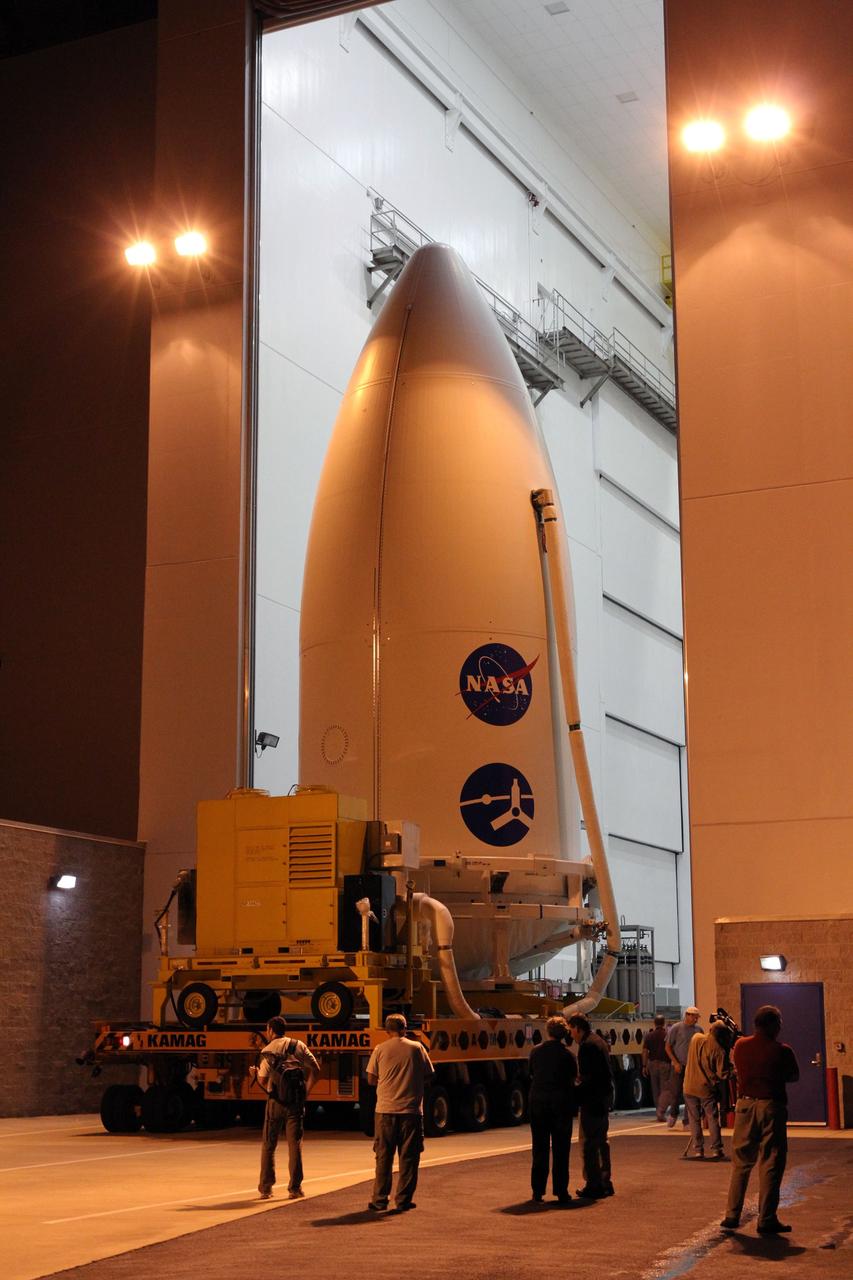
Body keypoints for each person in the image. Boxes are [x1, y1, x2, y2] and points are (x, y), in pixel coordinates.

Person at [721, 1004, 800, 1235]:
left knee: (741, 1164)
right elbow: (793, 1075)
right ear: (772, 1025)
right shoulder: (782, 1050)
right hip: (770, 1106)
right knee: (771, 1163)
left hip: (745, 1106)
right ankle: (766, 1218)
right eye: (779, 1023)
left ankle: (731, 1214)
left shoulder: (740, 1046)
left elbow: (736, 1069)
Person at [366, 1013, 435, 1213]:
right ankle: (403, 1200)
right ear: (405, 1028)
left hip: (385, 1111)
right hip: (411, 1112)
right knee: (409, 1158)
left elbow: (371, 1079)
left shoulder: (380, 1049)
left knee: (383, 1157)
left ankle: (379, 1200)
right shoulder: (417, 1048)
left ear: (387, 1030)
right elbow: (429, 1075)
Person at [252, 1015, 320, 1201]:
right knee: (295, 1145)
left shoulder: (267, 1051)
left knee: (269, 1145)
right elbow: (316, 1070)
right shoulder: (298, 1046)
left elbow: (263, 1080)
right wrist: (306, 1092)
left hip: (275, 1102)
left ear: (271, 1030)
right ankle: (294, 1188)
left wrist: (255, 1074)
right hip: (295, 1102)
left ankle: (266, 1188)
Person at [528, 1015, 578, 1204]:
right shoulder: (568, 1055)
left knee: (539, 1148)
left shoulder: (536, 1052)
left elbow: (530, 1073)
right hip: (561, 1104)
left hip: (539, 1103)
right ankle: (561, 1191)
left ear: (547, 1032)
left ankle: (537, 1191)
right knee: (561, 1149)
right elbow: (574, 1077)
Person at [567, 1012, 613, 1199]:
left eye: (571, 1030)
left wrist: (575, 1094)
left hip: (592, 1101)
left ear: (578, 1028)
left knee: (589, 1144)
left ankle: (593, 1185)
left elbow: (587, 1078)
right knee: (602, 1142)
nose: (571, 1034)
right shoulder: (599, 1041)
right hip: (603, 1099)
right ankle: (605, 1181)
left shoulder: (586, 1047)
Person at [682, 1019, 731, 1160]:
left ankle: (698, 1150)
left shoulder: (696, 1038)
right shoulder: (719, 1050)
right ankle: (716, 1149)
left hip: (689, 1086)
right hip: (705, 1088)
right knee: (712, 1117)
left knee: (694, 1119)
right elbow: (723, 1074)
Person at [665, 1006, 703, 1127]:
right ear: (687, 1015)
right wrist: (675, 1062)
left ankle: (687, 1120)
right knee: (675, 1092)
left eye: (697, 1017)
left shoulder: (699, 1030)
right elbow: (668, 1047)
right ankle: (673, 1114)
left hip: (692, 1067)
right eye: (694, 1017)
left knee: (690, 1094)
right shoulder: (676, 1028)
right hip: (678, 1066)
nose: (696, 1020)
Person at [642, 1014, 672, 1122]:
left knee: (655, 1089)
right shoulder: (667, 1035)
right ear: (664, 1023)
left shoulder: (649, 1036)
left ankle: (658, 1111)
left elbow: (645, 1051)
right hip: (665, 1064)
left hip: (652, 1064)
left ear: (654, 1023)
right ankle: (661, 1111)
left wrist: (644, 1065)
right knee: (665, 1089)